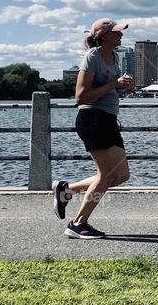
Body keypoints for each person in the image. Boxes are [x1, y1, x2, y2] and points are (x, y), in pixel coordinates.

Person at [53, 18, 135, 239]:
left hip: (108, 119)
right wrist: (113, 84)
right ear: (103, 35)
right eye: (116, 32)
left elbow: (109, 89)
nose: (121, 35)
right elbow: (80, 97)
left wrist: (126, 88)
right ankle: (78, 224)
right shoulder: (92, 57)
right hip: (93, 119)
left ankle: (67, 190)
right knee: (106, 175)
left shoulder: (113, 57)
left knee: (121, 175)